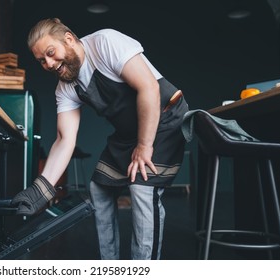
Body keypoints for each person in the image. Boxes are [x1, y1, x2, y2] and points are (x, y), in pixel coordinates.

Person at [10, 18, 189, 260]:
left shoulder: (105, 43)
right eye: (42, 60)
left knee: (141, 189)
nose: (49, 64)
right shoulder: (65, 87)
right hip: (129, 134)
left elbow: (149, 88)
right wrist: (40, 189)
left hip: (165, 119)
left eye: (51, 53)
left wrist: (144, 146)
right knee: (99, 188)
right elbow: (65, 139)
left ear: (69, 39)